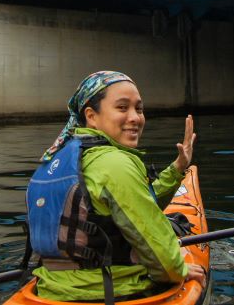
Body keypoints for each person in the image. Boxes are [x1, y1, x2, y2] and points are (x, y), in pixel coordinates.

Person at [28, 71, 205, 302]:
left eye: (139, 109)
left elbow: (129, 208)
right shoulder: (114, 164)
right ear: (91, 116)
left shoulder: (56, 160)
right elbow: (162, 258)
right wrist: (179, 270)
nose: (135, 118)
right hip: (113, 291)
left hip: (50, 288)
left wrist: (177, 168)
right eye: (122, 108)